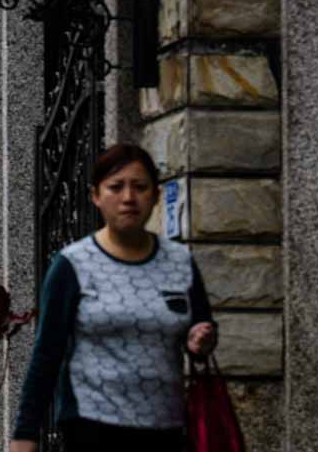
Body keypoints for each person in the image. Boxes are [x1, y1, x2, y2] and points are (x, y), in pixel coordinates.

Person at [11, 143, 217, 452]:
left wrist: (200, 340)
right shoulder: (73, 265)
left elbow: (201, 327)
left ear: (156, 195)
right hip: (93, 428)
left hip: (166, 429)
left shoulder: (180, 262)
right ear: (96, 196)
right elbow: (47, 354)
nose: (128, 198)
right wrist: (25, 434)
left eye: (140, 187)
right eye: (115, 187)